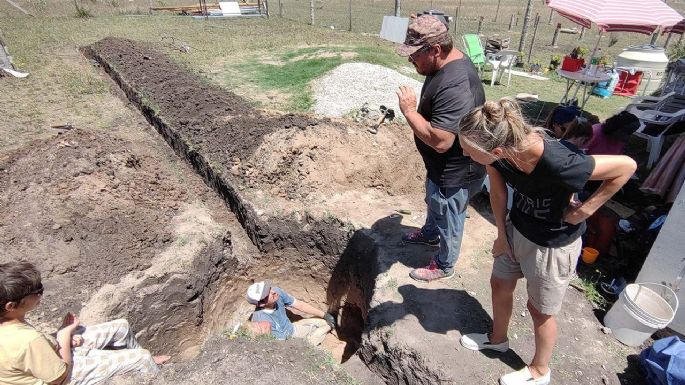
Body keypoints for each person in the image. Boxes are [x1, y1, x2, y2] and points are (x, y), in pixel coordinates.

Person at [457, 98, 636, 385]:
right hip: (517, 229)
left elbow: (626, 166)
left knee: (539, 310)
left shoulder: (561, 163)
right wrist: (502, 234)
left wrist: (585, 211)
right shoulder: (498, 155)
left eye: (467, 151)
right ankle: (498, 339)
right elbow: (499, 191)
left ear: (498, 150)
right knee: (500, 283)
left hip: (552, 246)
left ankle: (540, 370)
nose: (465, 154)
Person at [395, 14, 486, 282]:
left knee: (449, 217)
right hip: (440, 167)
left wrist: (410, 112)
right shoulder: (442, 64)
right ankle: (430, 233)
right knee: (434, 201)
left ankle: (445, 264)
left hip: (457, 171)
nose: (411, 60)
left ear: (435, 49)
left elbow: (441, 141)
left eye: (414, 55)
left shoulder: (457, 85)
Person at [0, 261, 170, 385]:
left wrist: (61, 340)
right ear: (11, 306)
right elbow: (59, 377)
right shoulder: (27, 340)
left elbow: (31, 352)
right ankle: (157, 374)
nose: (40, 295)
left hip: (51, 357)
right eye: (37, 292)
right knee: (142, 357)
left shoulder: (10, 323)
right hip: (65, 376)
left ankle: (139, 362)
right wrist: (64, 335)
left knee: (121, 326)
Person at [246, 281, 336, 346]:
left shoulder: (277, 293)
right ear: (261, 303)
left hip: (293, 329)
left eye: (269, 288)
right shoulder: (262, 320)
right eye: (267, 294)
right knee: (311, 341)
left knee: (325, 323)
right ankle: (309, 347)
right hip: (287, 342)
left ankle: (310, 341)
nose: (273, 292)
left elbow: (300, 305)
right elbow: (279, 345)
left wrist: (324, 315)